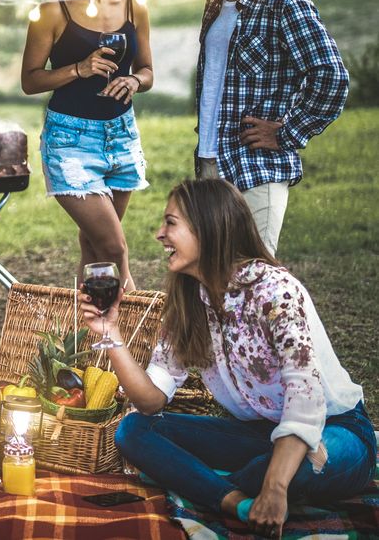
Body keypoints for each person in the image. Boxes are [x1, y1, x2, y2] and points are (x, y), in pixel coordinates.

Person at [82, 179, 373, 538]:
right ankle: (237, 500)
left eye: (170, 222)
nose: (159, 234)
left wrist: (276, 487)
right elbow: (151, 400)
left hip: (334, 428)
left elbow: (305, 399)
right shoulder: (188, 302)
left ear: (208, 226)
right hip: (258, 434)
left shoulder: (275, 291)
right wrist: (110, 334)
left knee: (290, 468)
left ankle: (223, 485)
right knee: (134, 430)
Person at [194, 0, 349, 256]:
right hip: (208, 166)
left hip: (256, 168)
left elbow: (332, 77)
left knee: (252, 283)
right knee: (211, 284)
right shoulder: (214, 4)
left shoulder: (285, 4)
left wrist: (288, 132)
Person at [21, 0, 155, 291]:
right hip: (71, 142)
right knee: (114, 248)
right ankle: (133, 331)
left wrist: (133, 81)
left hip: (122, 135)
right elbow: (30, 81)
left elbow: (147, 71)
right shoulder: (51, 11)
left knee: (94, 246)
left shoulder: (133, 5)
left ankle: (89, 342)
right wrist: (78, 69)